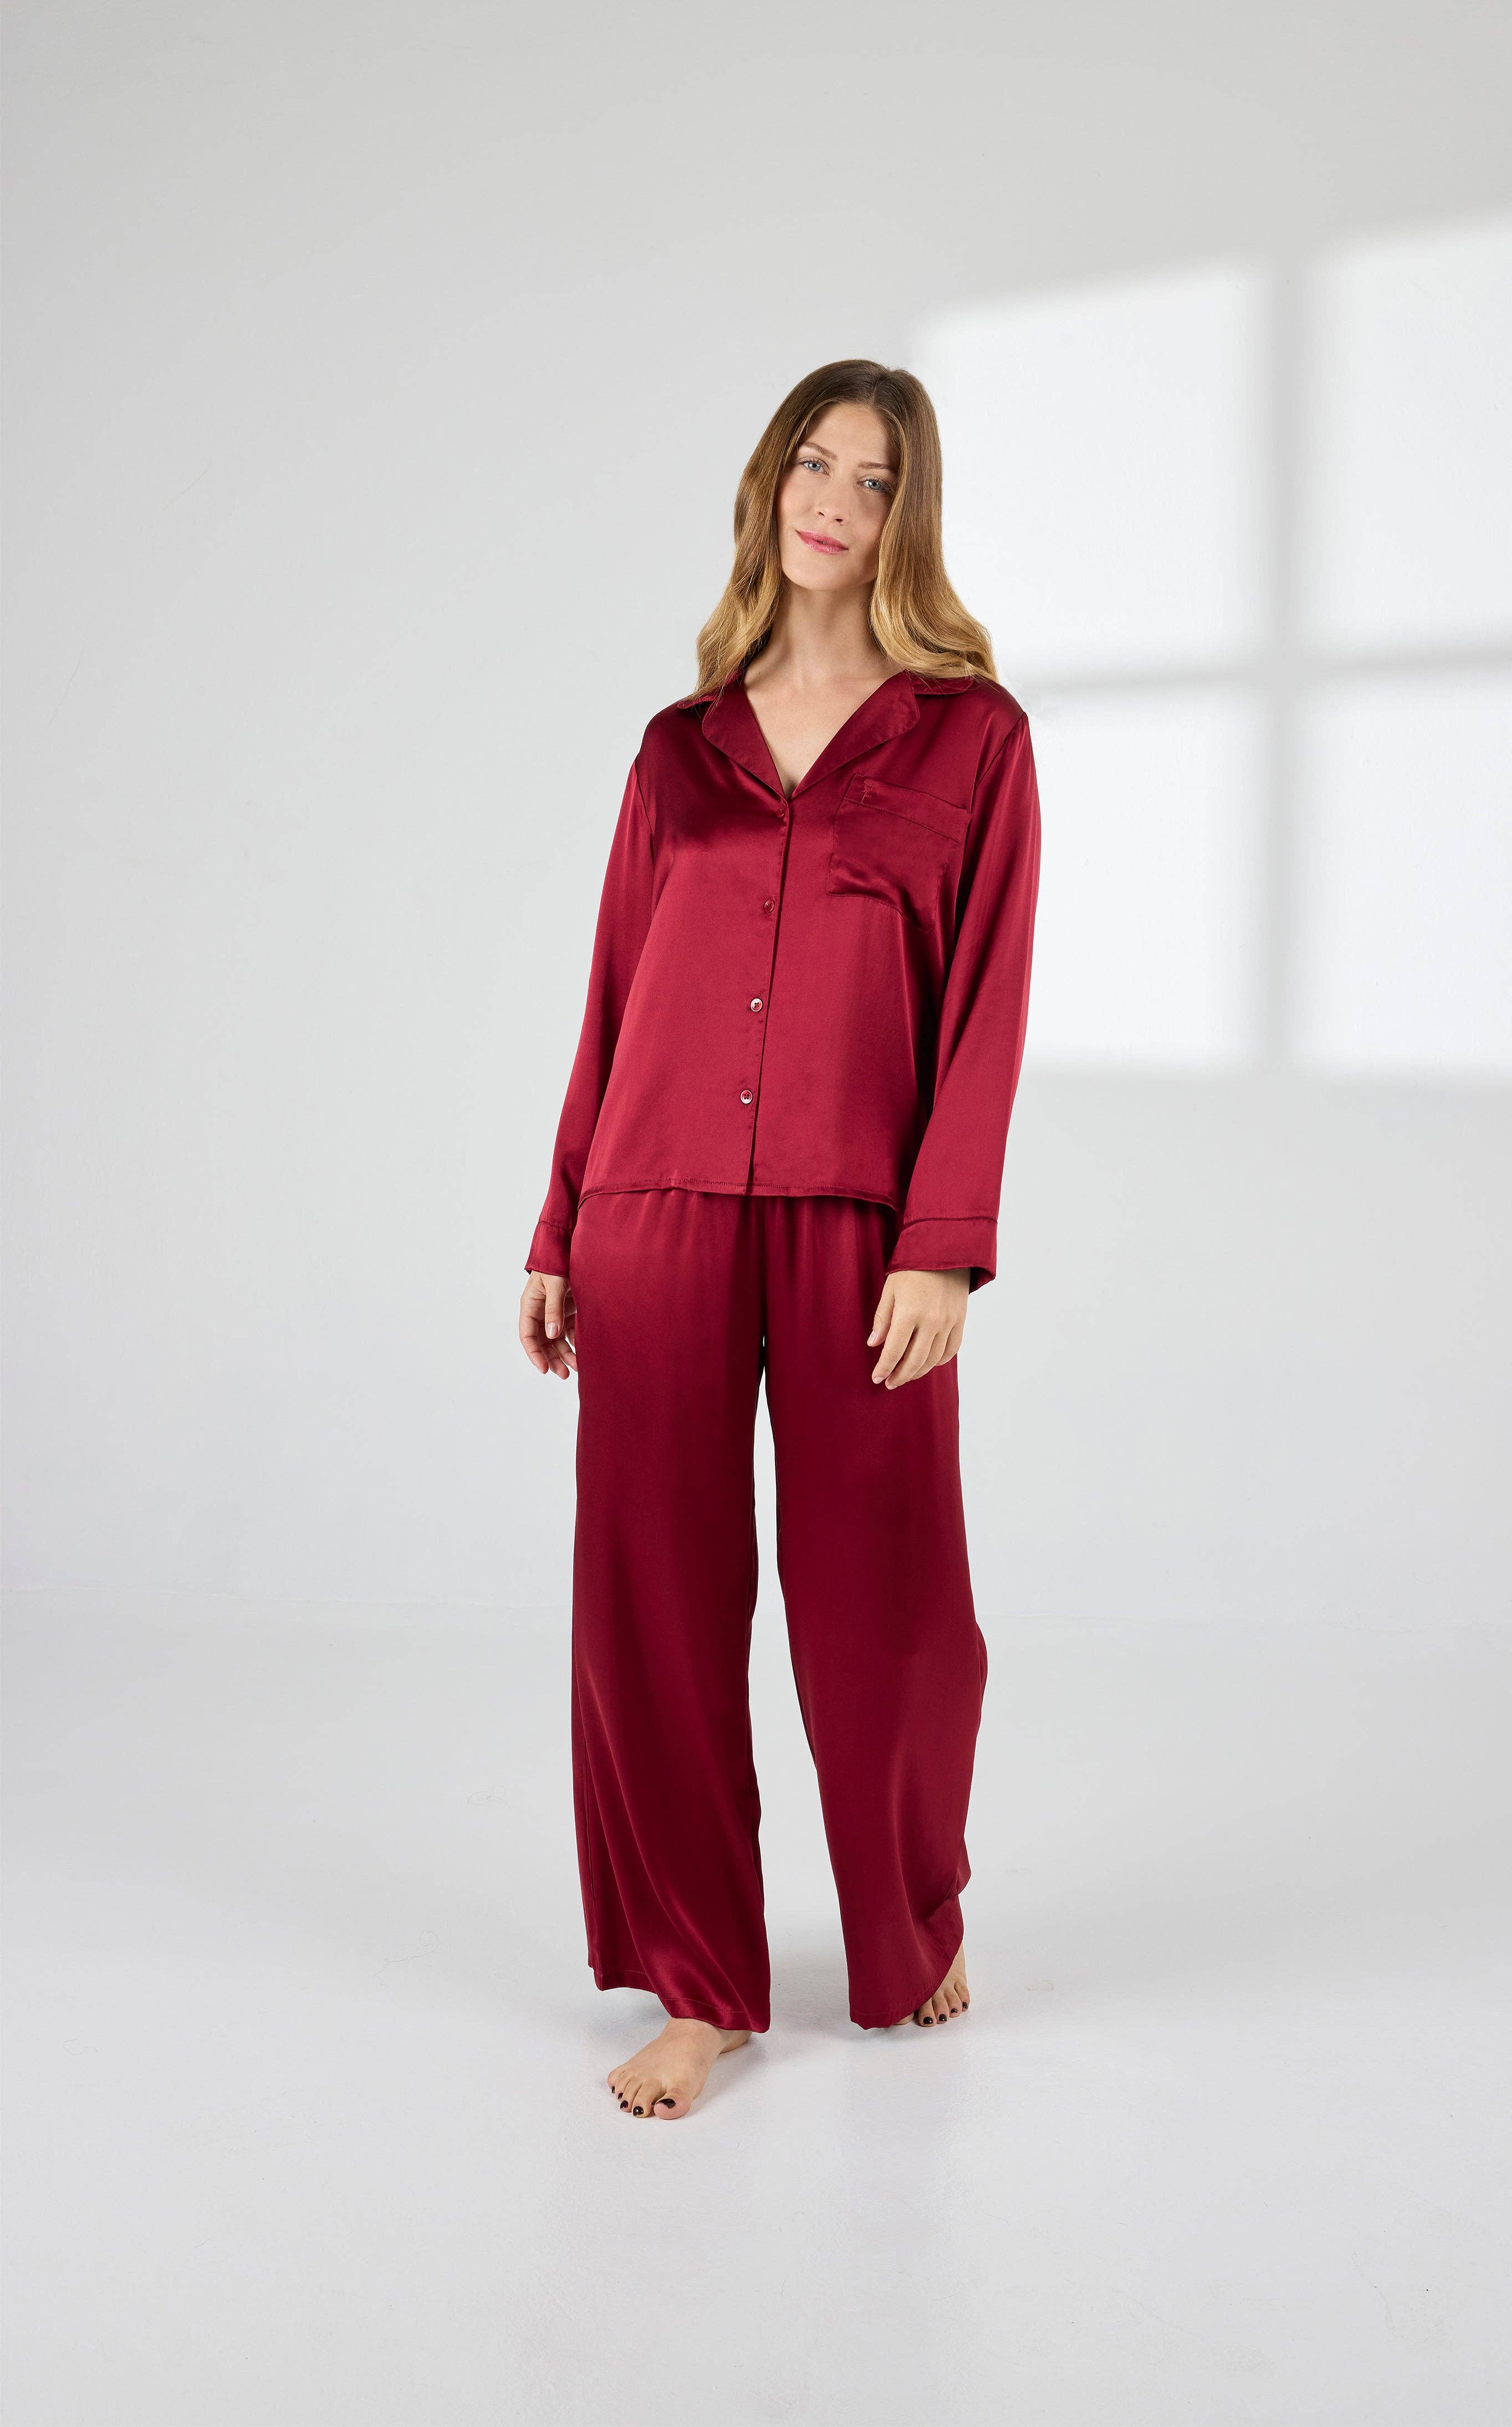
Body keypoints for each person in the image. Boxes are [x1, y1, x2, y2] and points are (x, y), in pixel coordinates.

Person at [517, 359, 1041, 2120]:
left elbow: (985, 1009)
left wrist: (943, 1242)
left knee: (891, 1602)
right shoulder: (682, 752)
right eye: (814, 464)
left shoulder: (974, 741)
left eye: (874, 479)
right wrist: (561, 1219)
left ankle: (908, 1912)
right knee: (650, 1603)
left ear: (908, 515)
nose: (834, 500)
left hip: (859, 1221)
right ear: (770, 484)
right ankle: (702, 1982)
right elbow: (615, 994)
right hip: (653, 1207)